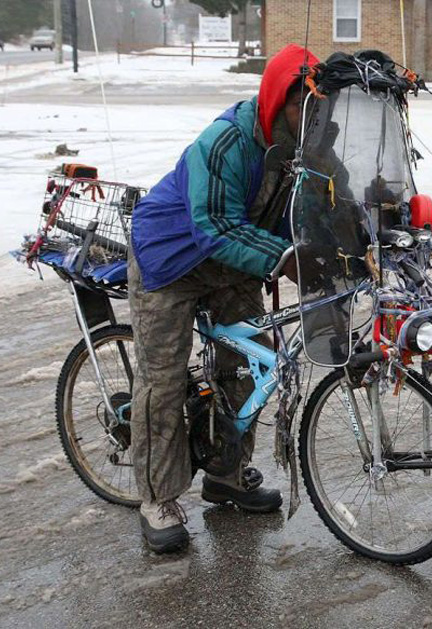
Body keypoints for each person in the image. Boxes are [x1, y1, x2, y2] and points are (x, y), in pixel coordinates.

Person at [127, 44, 318, 554]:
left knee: (250, 364)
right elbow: (214, 225)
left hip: (235, 261)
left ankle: (226, 476)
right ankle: (158, 499)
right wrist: (286, 257)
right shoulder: (226, 142)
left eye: (316, 107)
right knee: (162, 382)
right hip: (170, 261)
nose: (309, 117)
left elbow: (320, 206)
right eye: (300, 105)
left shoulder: (304, 149)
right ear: (276, 101)